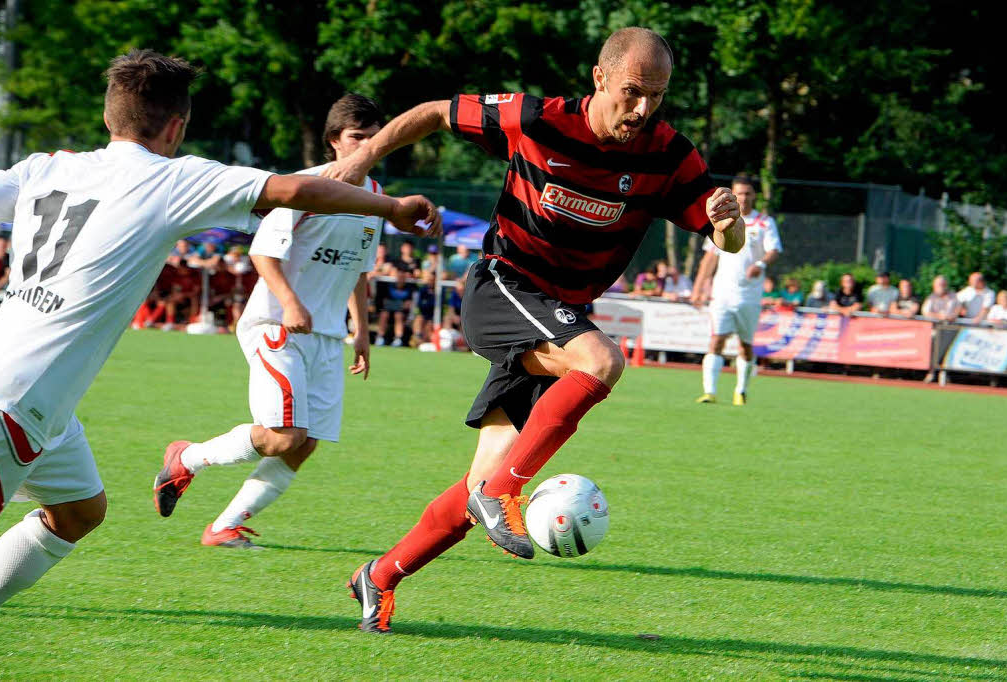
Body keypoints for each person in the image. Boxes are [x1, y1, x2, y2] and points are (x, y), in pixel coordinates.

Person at [0, 49, 438, 620]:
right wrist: (391, 205)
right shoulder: (174, 178)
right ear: (178, 125)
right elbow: (294, 191)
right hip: (12, 403)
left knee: (79, 511)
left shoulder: (43, 167)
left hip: (39, 402)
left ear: (109, 117)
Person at [327, 26, 744, 633]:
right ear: (600, 77)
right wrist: (360, 160)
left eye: (657, 95)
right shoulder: (536, 118)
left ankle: (380, 576)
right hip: (505, 286)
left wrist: (727, 221)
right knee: (601, 363)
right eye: (632, 92)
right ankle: (505, 493)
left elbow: (723, 238)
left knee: (476, 483)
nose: (644, 108)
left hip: (552, 321)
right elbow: (432, 113)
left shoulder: (668, 154)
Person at [153, 93, 399, 547]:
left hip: (326, 336)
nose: (367, 146)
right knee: (285, 436)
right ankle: (187, 458)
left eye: (374, 139)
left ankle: (224, 526)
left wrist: (361, 330)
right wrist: (290, 303)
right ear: (334, 142)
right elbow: (263, 254)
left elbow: (357, 268)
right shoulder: (303, 187)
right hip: (277, 326)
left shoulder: (377, 197)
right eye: (357, 138)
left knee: (304, 445)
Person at [692, 174, 781, 406]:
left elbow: (774, 250)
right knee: (716, 341)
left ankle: (741, 390)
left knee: (745, 345)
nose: (743, 197)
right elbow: (710, 257)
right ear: (732, 194)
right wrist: (699, 287)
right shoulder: (721, 219)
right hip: (722, 293)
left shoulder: (764, 222)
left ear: (754, 195)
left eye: (747, 193)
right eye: (738, 193)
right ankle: (709, 391)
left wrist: (760, 264)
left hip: (749, 295)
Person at [375, 264, 417, 347]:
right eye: (399, 273)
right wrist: (399, 304)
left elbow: (408, 305)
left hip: (403, 313)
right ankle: (380, 337)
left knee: (398, 315)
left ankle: (398, 339)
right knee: (384, 314)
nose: (401, 276)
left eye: (403, 274)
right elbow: (385, 302)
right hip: (388, 310)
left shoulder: (410, 287)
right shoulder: (388, 285)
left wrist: (397, 305)